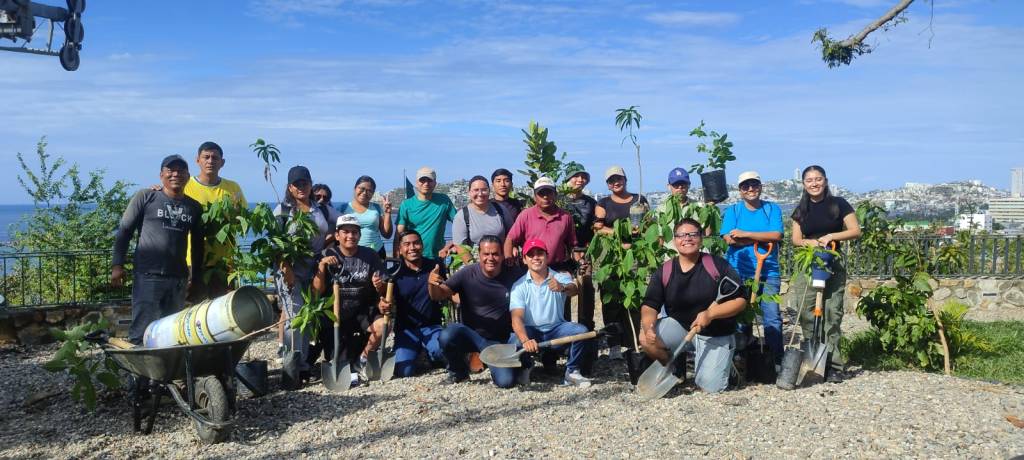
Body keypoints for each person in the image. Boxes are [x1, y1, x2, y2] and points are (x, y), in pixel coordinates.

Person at [639, 219, 747, 393]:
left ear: (701, 239)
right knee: (645, 338)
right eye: (681, 235)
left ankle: (728, 365)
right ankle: (674, 369)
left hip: (715, 332)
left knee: (710, 388)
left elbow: (740, 301)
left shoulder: (717, 266)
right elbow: (650, 305)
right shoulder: (665, 271)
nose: (687, 239)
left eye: (692, 234)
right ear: (674, 240)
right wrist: (649, 327)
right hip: (681, 328)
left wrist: (711, 315)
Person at [112, 155, 204, 345]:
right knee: (141, 330)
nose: (175, 174)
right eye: (170, 170)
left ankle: (164, 373)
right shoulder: (146, 197)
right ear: (161, 175)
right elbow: (125, 231)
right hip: (148, 276)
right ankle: (139, 374)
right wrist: (117, 265)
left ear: (188, 176)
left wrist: (195, 279)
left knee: (171, 332)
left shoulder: (194, 207)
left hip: (178, 279)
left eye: (181, 170)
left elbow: (197, 245)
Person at [789, 165, 862, 383]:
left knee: (832, 313)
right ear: (804, 184)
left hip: (833, 262)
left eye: (818, 179)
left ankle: (835, 365)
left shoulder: (839, 204)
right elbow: (795, 239)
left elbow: (855, 231)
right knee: (807, 312)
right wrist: (808, 242)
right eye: (809, 180)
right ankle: (813, 362)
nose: (814, 183)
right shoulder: (801, 209)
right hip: (808, 264)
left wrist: (832, 236)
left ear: (825, 181)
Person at [275, 166, 342, 381]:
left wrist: (331, 241)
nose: (301, 187)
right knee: (293, 319)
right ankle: (290, 368)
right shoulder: (283, 211)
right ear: (289, 187)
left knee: (308, 317)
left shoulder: (320, 209)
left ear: (311, 184)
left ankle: (302, 365)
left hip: (315, 268)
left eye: (305, 183)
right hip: (291, 269)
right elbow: (277, 245)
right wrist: (287, 270)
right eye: (296, 184)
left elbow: (343, 221)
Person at [430, 235, 525, 387]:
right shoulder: (467, 273)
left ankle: (522, 365)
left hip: (501, 340)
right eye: (486, 254)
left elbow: (534, 284)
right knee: (448, 334)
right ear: (479, 255)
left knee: (506, 382)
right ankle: (458, 372)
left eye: (495, 254)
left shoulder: (513, 273)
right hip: (472, 336)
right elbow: (438, 295)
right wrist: (432, 283)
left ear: (502, 255)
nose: (490, 258)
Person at [312, 214, 387, 386]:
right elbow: (316, 292)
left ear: (359, 235)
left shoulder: (370, 255)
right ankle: (341, 361)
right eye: (345, 232)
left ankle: (363, 359)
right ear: (337, 235)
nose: (350, 236)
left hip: (362, 310)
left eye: (354, 232)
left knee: (383, 326)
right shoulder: (325, 254)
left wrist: (379, 286)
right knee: (340, 357)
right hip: (334, 314)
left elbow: (383, 288)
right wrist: (322, 266)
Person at [509, 239, 594, 387]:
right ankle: (526, 367)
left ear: (547, 257)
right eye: (531, 254)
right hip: (532, 331)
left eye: (540, 253)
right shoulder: (519, 286)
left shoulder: (559, 276)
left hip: (556, 329)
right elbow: (516, 318)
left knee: (582, 332)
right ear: (524, 260)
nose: (536, 257)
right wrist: (525, 340)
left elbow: (574, 289)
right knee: (514, 340)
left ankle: (572, 371)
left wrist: (562, 288)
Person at [720, 171, 784, 363]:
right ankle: (742, 359)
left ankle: (775, 361)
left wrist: (745, 234)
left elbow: (776, 236)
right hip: (738, 272)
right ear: (740, 190)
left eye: (754, 185)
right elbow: (730, 240)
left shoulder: (772, 209)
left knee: (772, 318)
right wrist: (759, 237)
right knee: (741, 318)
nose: (750, 189)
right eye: (745, 186)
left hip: (768, 272)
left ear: (760, 187)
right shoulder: (733, 211)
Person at [593, 165, 649, 363]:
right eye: (611, 180)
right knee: (611, 301)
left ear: (625, 179)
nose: (615, 183)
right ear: (607, 184)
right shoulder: (603, 203)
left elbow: (648, 224)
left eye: (619, 179)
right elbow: (598, 228)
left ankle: (632, 341)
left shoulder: (639, 199)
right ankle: (614, 344)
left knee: (634, 297)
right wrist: (619, 236)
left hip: (635, 257)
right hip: (612, 257)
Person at [377, 230, 447, 378]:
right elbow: (385, 300)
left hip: (432, 326)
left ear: (422, 245)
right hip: (406, 330)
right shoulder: (394, 272)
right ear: (400, 250)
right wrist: (382, 304)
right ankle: (418, 352)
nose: (412, 248)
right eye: (407, 244)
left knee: (442, 353)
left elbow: (446, 292)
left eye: (416, 243)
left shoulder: (434, 266)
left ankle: (430, 353)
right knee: (404, 372)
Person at [181, 141, 247, 301]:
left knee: (221, 312)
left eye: (215, 158)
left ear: (222, 162)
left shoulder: (233, 188)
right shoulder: (185, 186)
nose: (210, 161)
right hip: (193, 261)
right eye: (206, 157)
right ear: (198, 160)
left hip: (224, 262)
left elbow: (243, 219)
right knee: (191, 309)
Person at [503, 177, 576, 272]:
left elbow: (572, 243)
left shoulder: (565, 217)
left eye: (549, 193)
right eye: (541, 194)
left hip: (557, 268)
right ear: (534, 197)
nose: (545, 197)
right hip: (532, 268)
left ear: (555, 195)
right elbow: (510, 239)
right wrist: (509, 261)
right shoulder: (526, 215)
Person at [563, 165, 597, 339]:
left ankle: (586, 330)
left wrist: (586, 250)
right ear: (567, 179)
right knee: (564, 291)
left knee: (586, 290)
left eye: (583, 177)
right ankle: (565, 329)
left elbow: (595, 228)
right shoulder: (559, 201)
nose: (579, 180)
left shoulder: (590, 203)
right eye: (576, 177)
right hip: (564, 253)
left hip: (585, 251)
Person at [397, 167, 456, 259]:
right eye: (422, 180)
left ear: (435, 183)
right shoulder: (406, 204)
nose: (426, 184)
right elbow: (399, 233)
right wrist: (396, 255)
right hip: (413, 256)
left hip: (439, 256)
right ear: (417, 183)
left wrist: (452, 244)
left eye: (429, 180)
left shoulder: (444, 200)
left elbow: (459, 224)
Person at [449, 175, 507, 264]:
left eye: (484, 190)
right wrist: (474, 269)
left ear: (489, 191)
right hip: (474, 263)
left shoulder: (501, 210)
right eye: (476, 190)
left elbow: (511, 236)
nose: (480, 194)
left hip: (500, 262)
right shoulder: (462, 216)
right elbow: (461, 247)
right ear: (469, 193)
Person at [338, 176, 393, 260]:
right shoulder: (343, 208)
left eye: (369, 191)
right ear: (355, 188)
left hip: (376, 252)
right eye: (361, 188)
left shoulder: (376, 208)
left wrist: (387, 213)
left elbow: (387, 234)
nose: (364, 193)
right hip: (350, 253)